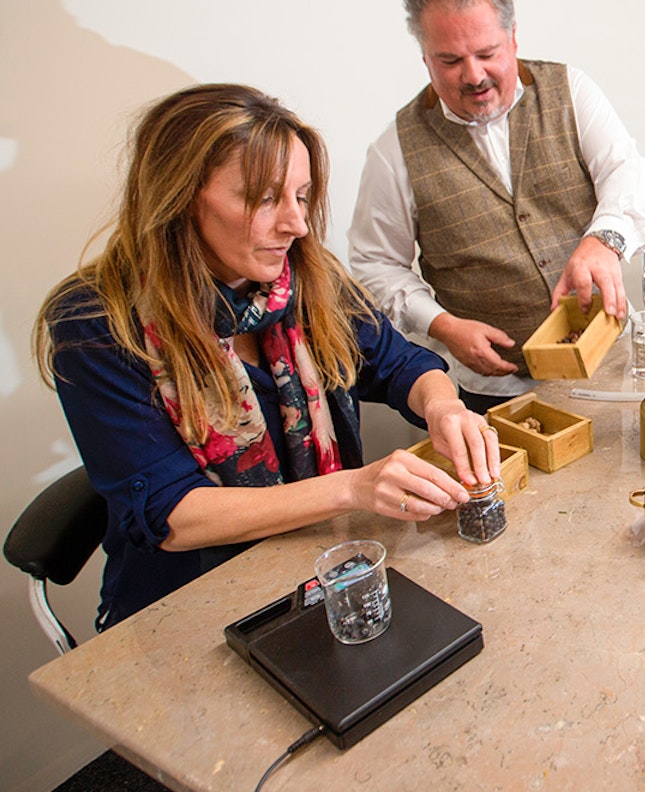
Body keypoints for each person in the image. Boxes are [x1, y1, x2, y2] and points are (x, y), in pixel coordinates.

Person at [34, 84, 498, 631]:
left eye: (301, 197)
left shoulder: (303, 277)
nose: (297, 224)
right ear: (179, 198)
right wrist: (353, 487)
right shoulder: (95, 324)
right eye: (264, 199)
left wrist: (444, 408)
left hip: (324, 572)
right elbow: (174, 514)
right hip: (184, 604)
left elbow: (400, 365)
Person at [350, 0, 645, 413]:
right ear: (425, 58)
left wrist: (604, 240)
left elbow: (625, 172)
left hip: (606, 361)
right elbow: (375, 265)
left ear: (513, 39)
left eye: (487, 53)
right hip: (491, 392)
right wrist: (442, 325)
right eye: (450, 60)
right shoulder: (393, 149)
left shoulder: (571, 90)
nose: (473, 76)